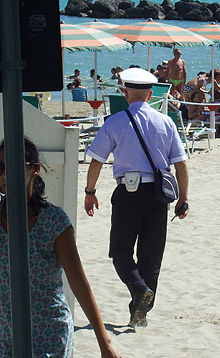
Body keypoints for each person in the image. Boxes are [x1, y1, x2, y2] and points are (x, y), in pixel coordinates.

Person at [84, 68, 189, 328]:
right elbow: (181, 165)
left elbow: (97, 160)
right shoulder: (166, 122)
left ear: (126, 93)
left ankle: (138, 291)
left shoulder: (115, 122)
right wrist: (183, 198)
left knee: (120, 251)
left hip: (128, 193)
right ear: (151, 94)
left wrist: (90, 191)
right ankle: (139, 312)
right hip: (158, 194)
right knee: (151, 256)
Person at [0, 138, 121, 357]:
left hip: (48, 335)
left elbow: (79, 283)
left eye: (12, 167)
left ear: (34, 169)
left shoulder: (53, 222)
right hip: (5, 335)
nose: (4, 175)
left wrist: (104, 342)